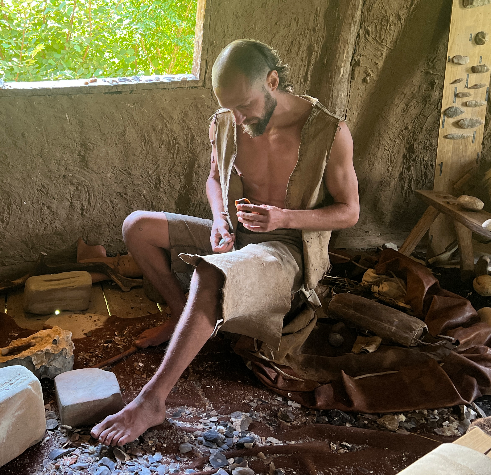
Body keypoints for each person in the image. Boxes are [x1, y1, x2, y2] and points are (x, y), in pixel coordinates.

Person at [91, 39, 360, 446]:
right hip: (236, 233)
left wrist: (284, 217)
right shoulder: (226, 120)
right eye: (229, 107)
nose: (237, 116)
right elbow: (215, 178)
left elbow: (349, 211)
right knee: (137, 227)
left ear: (273, 81)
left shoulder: (329, 131)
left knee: (209, 273)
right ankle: (182, 314)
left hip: (285, 249)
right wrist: (219, 220)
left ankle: (151, 401)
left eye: (245, 106)